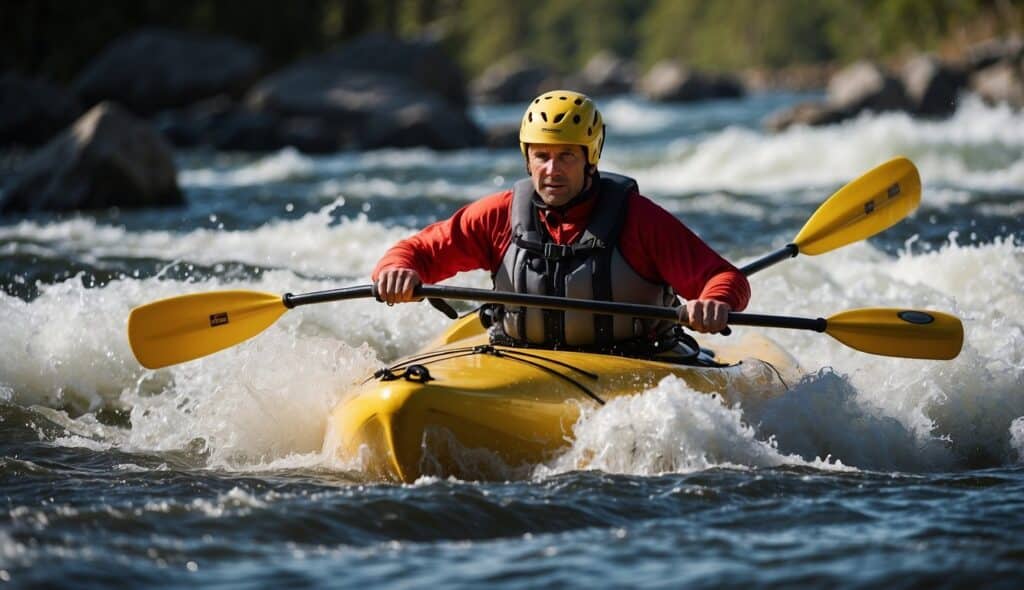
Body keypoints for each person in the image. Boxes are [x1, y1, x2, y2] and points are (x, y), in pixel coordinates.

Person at [373, 90, 748, 350]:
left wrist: (713, 302)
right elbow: (418, 250)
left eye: (567, 156)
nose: (552, 170)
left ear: (590, 158)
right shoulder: (498, 216)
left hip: (632, 360)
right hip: (520, 355)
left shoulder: (639, 219)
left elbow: (725, 278)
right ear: (527, 158)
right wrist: (397, 270)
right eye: (542, 156)